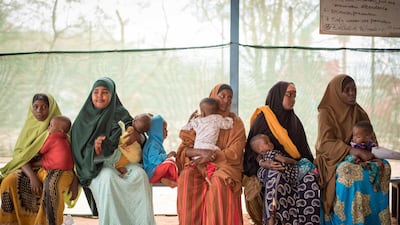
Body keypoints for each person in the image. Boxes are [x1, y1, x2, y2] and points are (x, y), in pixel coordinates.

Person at [71, 77, 156, 225]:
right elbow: (78, 151)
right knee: (107, 177)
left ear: (112, 95)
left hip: (126, 162)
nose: (99, 96)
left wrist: (138, 137)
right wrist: (96, 150)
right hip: (98, 167)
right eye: (96, 92)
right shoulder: (82, 121)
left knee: (140, 176)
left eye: (105, 92)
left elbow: (140, 138)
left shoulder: (122, 114)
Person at [314, 74, 391, 225]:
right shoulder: (326, 112)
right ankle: (349, 221)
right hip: (333, 159)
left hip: (361, 155)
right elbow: (325, 144)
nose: (352, 93)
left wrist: (370, 150)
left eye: (354, 89)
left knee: (384, 166)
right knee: (348, 172)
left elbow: (371, 138)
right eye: (347, 90)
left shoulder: (359, 112)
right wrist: (353, 151)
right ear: (337, 92)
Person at [243, 81, 320, 225]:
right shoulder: (263, 120)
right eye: (289, 95)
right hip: (269, 167)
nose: (293, 99)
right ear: (278, 96)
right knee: (276, 176)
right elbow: (251, 152)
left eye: (295, 96)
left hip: (293, 167)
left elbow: (303, 153)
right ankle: (274, 221)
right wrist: (264, 162)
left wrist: (301, 165)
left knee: (310, 179)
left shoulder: (294, 121)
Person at [0, 93, 78, 225]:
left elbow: (71, 158)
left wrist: (75, 180)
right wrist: (32, 177)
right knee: (9, 182)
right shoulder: (29, 128)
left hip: (55, 168)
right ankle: (13, 222)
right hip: (30, 168)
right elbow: (21, 157)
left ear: (51, 108)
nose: (39, 111)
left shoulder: (60, 127)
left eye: (44, 107)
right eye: (35, 107)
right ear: (31, 108)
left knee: (52, 187)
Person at [176, 83, 246, 225]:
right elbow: (184, 149)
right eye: (222, 96)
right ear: (213, 97)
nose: (226, 100)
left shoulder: (234, 122)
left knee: (219, 184)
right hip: (198, 162)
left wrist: (212, 155)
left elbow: (235, 152)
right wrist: (201, 153)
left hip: (224, 166)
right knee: (186, 177)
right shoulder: (199, 119)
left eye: (230, 97)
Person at [181, 97, 234, 185]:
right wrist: (229, 118)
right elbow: (228, 125)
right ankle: (207, 173)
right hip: (210, 147)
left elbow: (185, 129)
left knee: (206, 161)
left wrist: (190, 120)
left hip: (198, 146)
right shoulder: (217, 119)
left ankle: (197, 163)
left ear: (202, 112)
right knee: (213, 156)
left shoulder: (198, 120)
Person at [250, 134, 317, 187]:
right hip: (294, 173)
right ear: (260, 149)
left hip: (288, 178)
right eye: (267, 142)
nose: (271, 143)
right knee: (305, 161)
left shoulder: (263, 158)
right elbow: (284, 160)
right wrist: (294, 162)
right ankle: (315, 172)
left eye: (270, 141)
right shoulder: (272, 153)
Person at [142, 114, 178, 188]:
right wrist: (166, 156)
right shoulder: (153, 144)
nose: (167, 131)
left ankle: (163, 179)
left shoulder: (156, 142)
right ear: (157, 131)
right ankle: (174, 180)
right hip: (151, 173)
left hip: (155, 171)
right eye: (164, 129)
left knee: (171, 162)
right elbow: (153, 159)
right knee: (170, 164)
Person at [112, 113, 152, 177]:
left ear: (134, 121)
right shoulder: (141, 136)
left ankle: (120, 168)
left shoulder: (131, 130)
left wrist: (122, 141)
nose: (133, 119)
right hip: (136, 156)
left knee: (118, 160)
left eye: (135, 118)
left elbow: (124, 140)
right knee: (122, 163)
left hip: (128, 155)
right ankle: (122, 170)